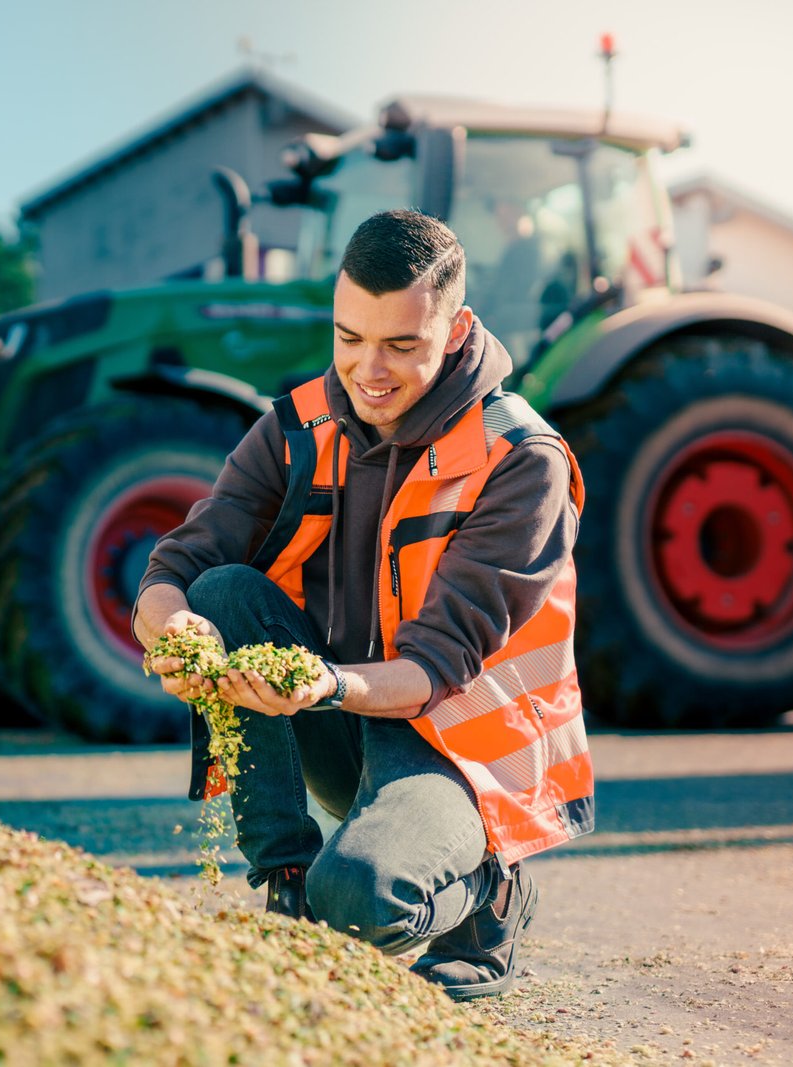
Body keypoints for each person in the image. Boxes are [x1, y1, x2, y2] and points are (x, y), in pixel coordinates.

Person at [134, 209, 592, 1001]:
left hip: (465, 754)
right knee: (221, 595)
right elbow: (178, 565)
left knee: (362, 900)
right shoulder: (297, 425)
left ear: (457, 330)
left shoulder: (521, 460)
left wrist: (324, 684)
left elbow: (436, 664)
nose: (367, 369)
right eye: (350, 338)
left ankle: (490, 893)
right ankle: (286, 884)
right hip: (351, 724)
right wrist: (173, 631)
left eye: (401, 345)